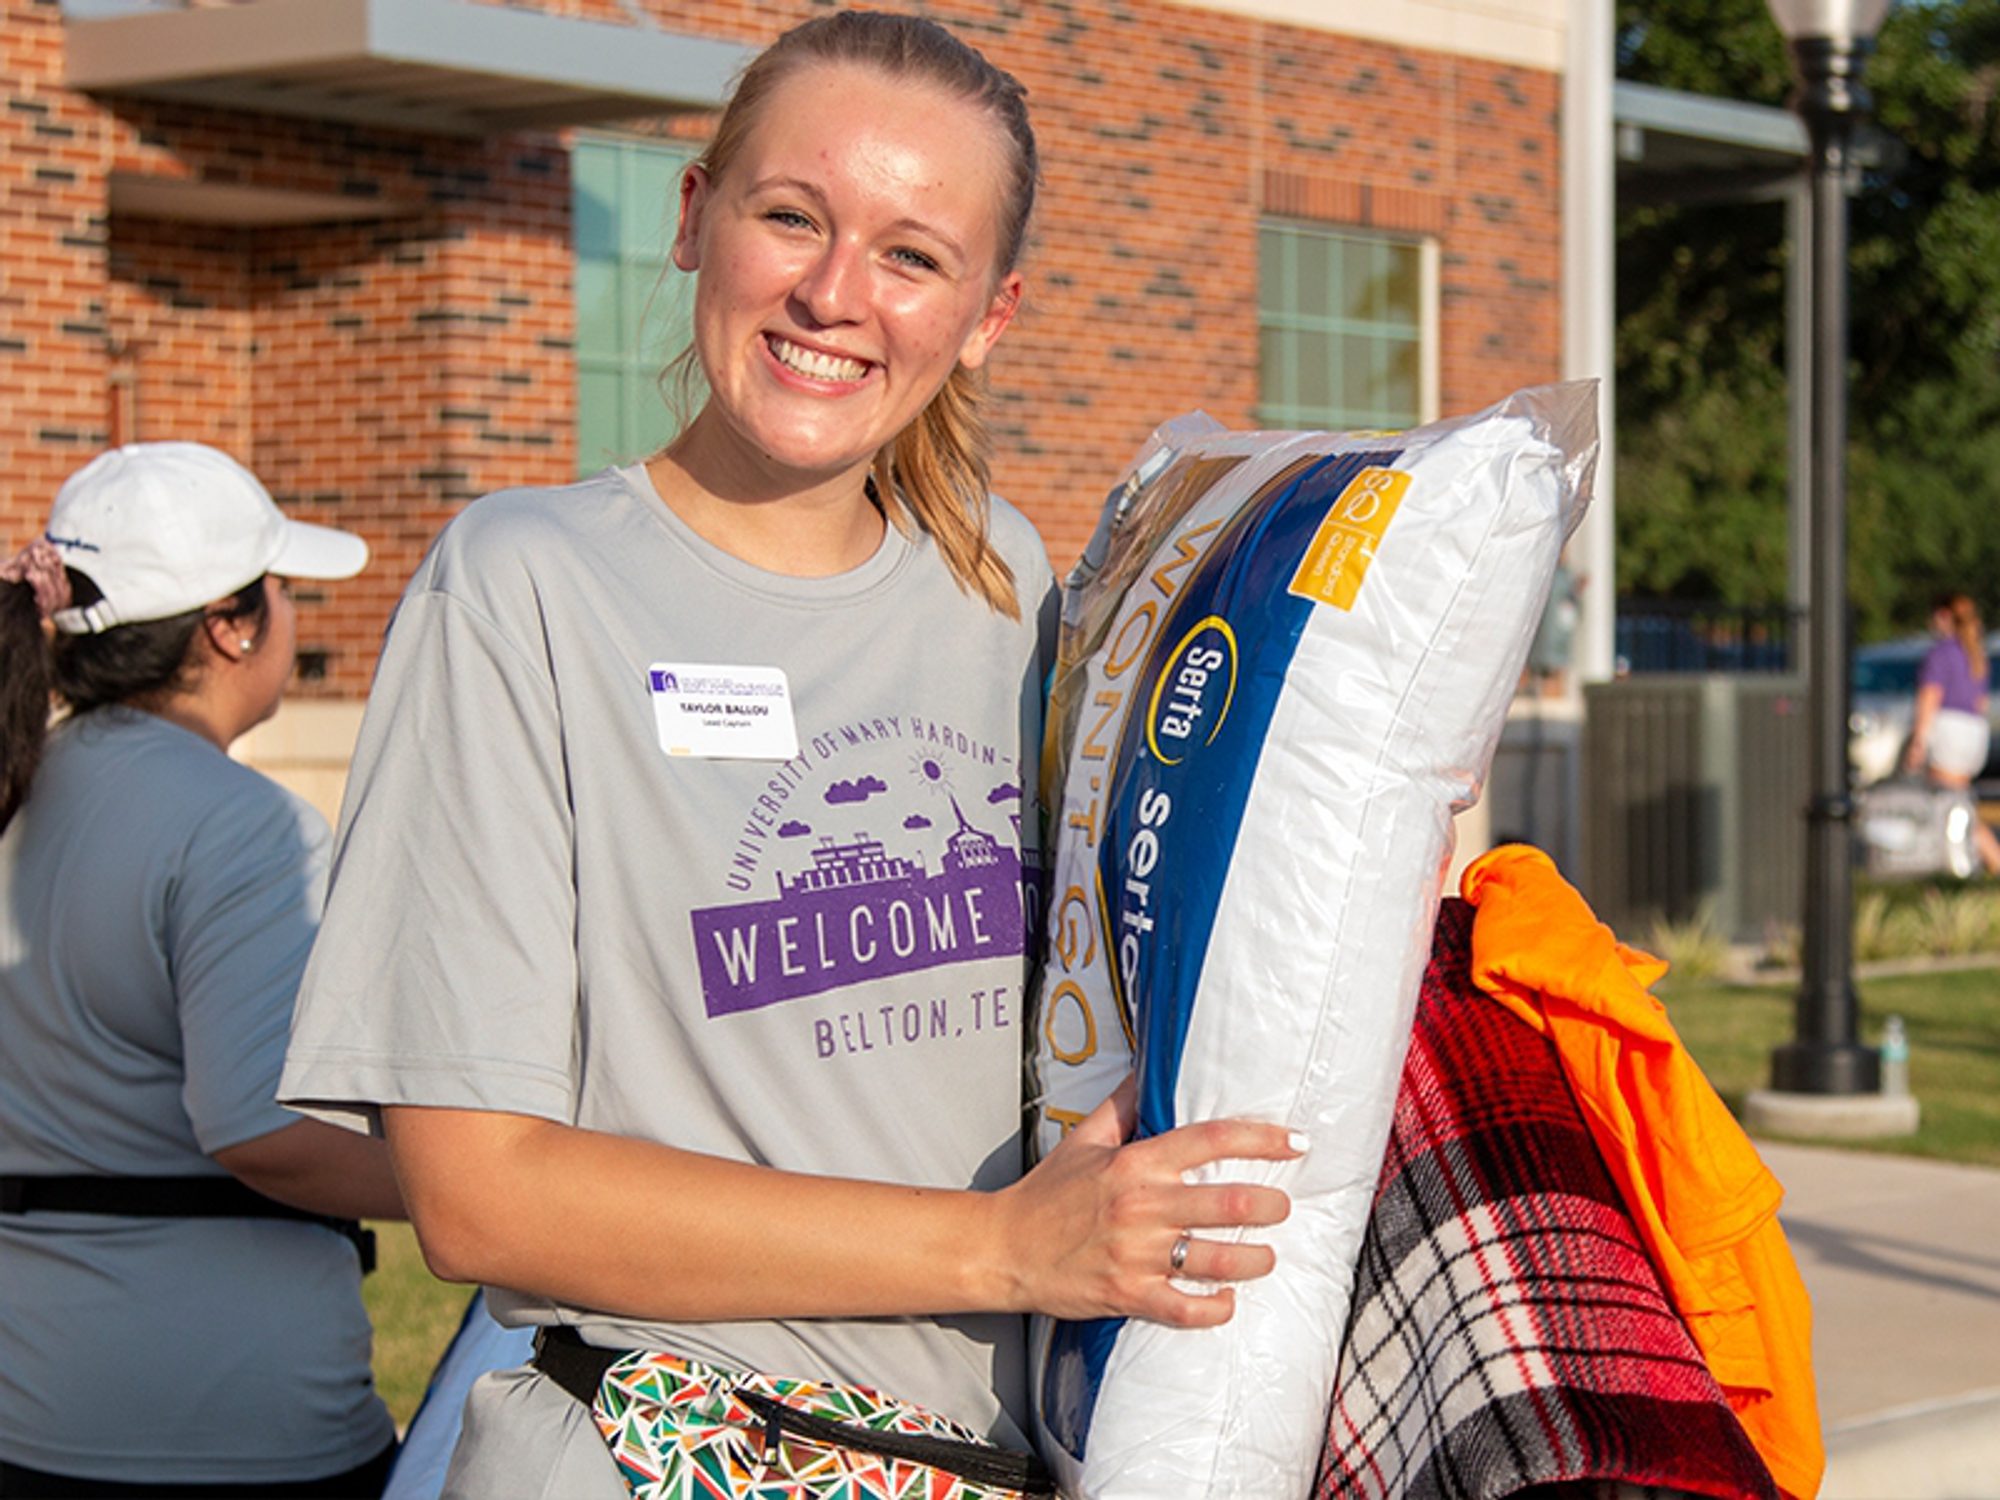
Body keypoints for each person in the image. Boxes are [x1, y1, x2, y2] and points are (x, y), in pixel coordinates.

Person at [279, 13, 1299, 1498]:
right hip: (653, 1453)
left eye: (911, 254)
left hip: (978, 1462)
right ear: (696, 218)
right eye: (791, 217)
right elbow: (477, 1195)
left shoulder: (1007, 591)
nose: (834, 294)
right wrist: (1002, 1248)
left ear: (990, 313)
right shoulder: (525, 582)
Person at [0, 443, 404, 1498]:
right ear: (230, 624)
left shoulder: (20, 786)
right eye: (279, 589)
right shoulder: (241, 825)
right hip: (232, 1417)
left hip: (32, 1398)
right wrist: (481, 1185)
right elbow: (261, 1129)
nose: (290, 615)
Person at [1903, 591, 2000, 875]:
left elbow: (1929, 698)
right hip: (1973, 732)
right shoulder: (1975, 654)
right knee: (1959, 802)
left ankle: (1976, 862)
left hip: (1949, 732)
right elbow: (1981, 702)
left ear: (1944, 616)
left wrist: (1918, 741)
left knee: (1950, 804)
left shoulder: (1940, 653)